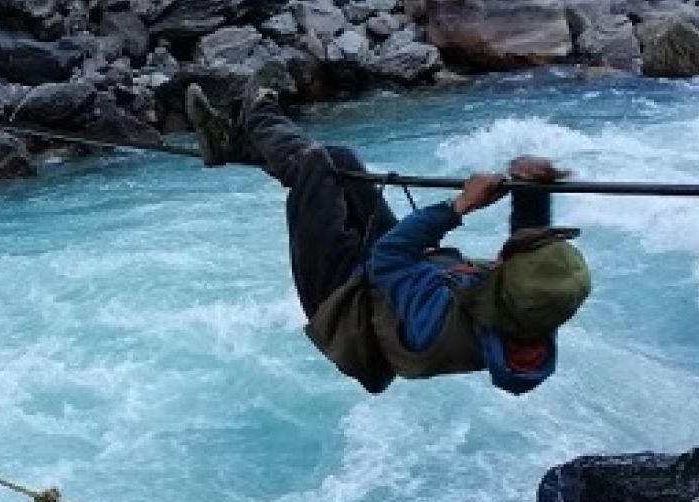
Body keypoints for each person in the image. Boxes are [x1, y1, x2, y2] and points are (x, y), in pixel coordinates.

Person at [186, 74, 591, 395]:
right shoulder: (537, 309)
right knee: (340, 161)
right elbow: (528, 243)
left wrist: (458, 207)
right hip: (390, 284)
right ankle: (228, 144)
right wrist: (534, 186)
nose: (505, 254)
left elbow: (390, 256)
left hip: (343, 296)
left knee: (313, 166)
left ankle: (258, 113)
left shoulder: (438, 322)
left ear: (507, 276)